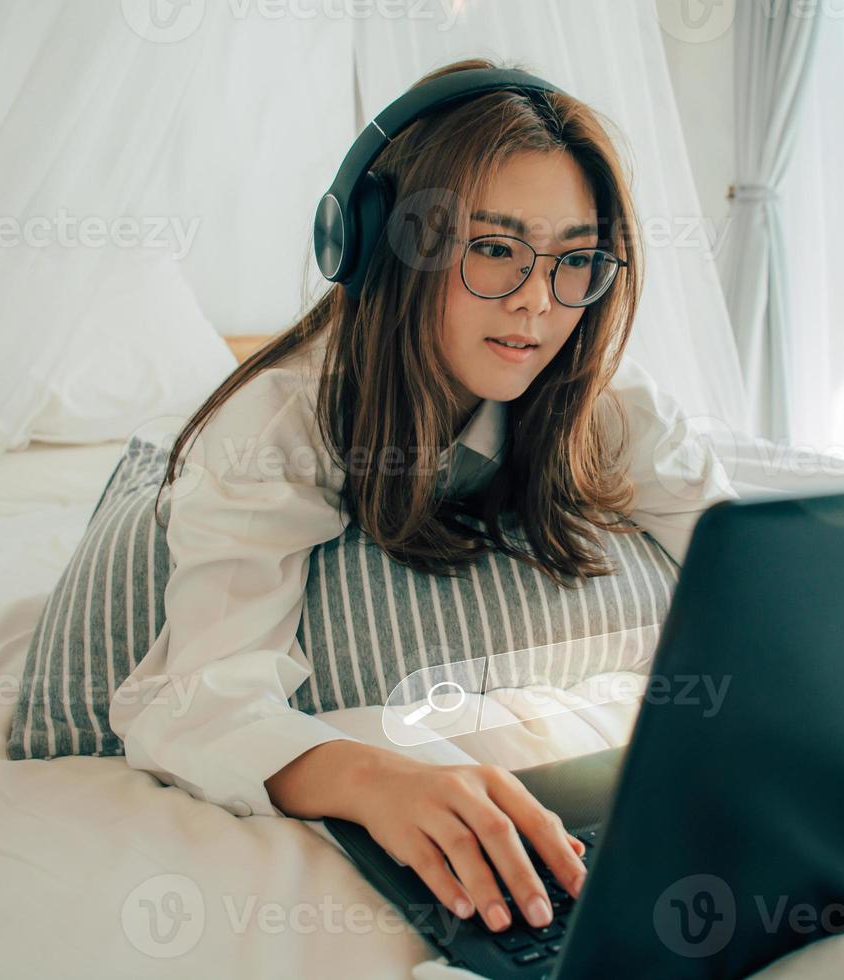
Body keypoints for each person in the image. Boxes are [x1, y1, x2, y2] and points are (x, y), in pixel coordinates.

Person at [109, 56, 738, 940]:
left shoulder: (605, 402)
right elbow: (198, 700)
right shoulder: (277, 425)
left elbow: (748, 563)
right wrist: (376, 780)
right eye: (492, 249)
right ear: (376, 242)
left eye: (575, 261)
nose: (536, 307)